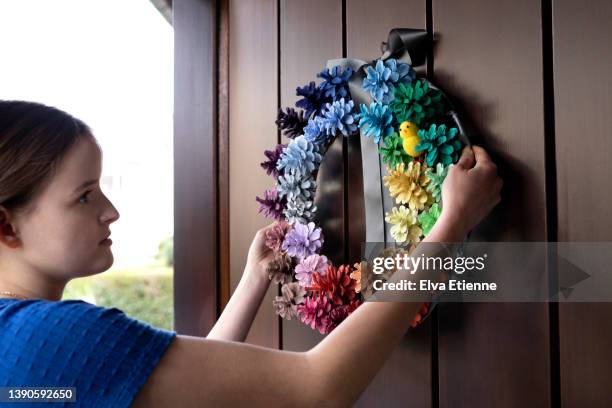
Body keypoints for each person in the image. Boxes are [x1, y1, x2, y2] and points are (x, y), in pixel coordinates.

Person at [0, 100, 502, 407]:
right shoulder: (51, 337)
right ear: (6, 224)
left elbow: (185, 391)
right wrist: (452, 223)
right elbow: (317, 390)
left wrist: (252, 281)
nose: (110, 212)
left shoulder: (21, 346)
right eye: (84, 195)